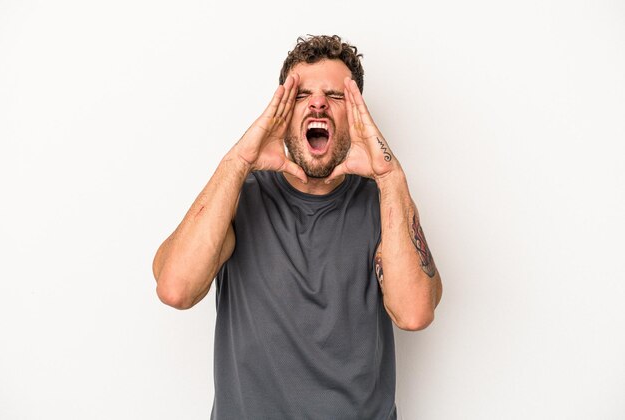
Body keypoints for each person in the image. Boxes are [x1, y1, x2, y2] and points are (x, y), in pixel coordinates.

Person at [152, 34, 443, 420]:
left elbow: (414, 313)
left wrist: (390, 177)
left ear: (355, 116)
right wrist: (239, 160)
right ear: (284, 112)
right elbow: (175, 289)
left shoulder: (384, 204)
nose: (319, 102)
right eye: (302, 95)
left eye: (335, 96)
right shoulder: (239, 198)